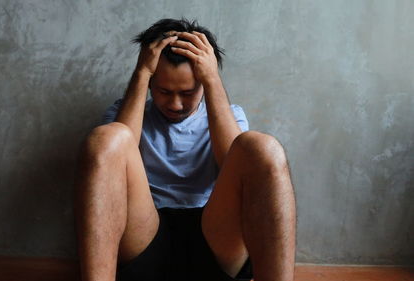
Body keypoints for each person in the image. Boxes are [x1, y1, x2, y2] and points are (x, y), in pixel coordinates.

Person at [75, 18, 296, 281]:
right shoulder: (125, 112)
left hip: (214, 239)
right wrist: (142, 73)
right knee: (106, 138)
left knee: (263, 147)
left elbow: (231, 162)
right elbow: (118, 161)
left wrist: (212, 78)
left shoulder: (228, 115)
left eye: (188, 92)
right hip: (143, 236)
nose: (176, 104)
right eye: (164, 91)